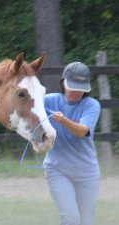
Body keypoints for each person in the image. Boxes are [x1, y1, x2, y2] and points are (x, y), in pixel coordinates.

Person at [43, 62, 101, 225]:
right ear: (63, 83)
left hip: (87, 174)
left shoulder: (91, 105)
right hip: (57, 170)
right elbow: (26, 105)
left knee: (85, 221)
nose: (76, 92)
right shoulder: (48, 100)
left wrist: (63, 120)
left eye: (81, 88)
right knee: (71, 219)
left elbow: (82, 131)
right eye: (72, 86)